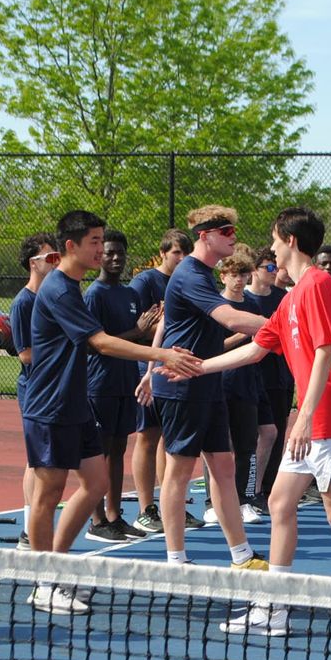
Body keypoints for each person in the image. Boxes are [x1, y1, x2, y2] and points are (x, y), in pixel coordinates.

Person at [180, 207, 331, 642]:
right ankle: (274, 606)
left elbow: (325, 351)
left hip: (327, 416)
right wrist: (197, 367)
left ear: (289, 240)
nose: (269, 245)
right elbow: (254, 350)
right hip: (314, 418)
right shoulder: (292, 297)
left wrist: (303, 418)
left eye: (273, 237)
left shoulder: (319, 286)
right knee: (281, 505)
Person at [21, 210, 199, 614]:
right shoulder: (59, 291)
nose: (102, 249)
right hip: (49, 407)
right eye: (95, 242)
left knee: (96, 481)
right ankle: (44, 580)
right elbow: (100, 343)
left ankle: (55, 570)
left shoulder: (72, 287)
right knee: (48, 496)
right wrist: (161, 354)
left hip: (75, 404)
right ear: (72, 246)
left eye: (102, 241)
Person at [148, 205, 270, 570]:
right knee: (180, 471)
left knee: (223, 466)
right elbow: (230, 319)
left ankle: (241, 555)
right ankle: (176, 558)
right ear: (205, 236)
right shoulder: (190, 275)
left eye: (233, 231)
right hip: (181, 385)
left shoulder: (203, 274)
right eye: (226, 232)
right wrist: (284, 321)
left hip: (207, 382)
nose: (233, 237)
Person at [84, 229, 160, 542]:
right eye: (109, 252)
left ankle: (115, 516)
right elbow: (95, 344)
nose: (115, 258)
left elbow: (137, 337)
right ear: (99, 254)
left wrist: (151, 330)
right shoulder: (94, 294)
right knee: (99, 453)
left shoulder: (129, 295)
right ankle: (97, 519)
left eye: (120, 253)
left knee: (117, 451)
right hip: (99, 385)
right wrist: (137, 331)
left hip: (124, 383)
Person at [127, 228, 200, 534]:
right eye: (176, 253)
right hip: (150, 368)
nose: (181, 258)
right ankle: (145, 508)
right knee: (148, 435)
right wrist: (150, 332)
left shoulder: (186, 282)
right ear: (163, 253)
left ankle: (171, 504)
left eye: (186, 253)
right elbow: (137, 328)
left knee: (170, 441)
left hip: (177, 371)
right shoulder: (145, 282)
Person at [9, 231, 59, 551]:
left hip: (54, 390)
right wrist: (60, 349)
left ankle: (36, 527)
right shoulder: (23, 303)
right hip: (34, 390)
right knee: (35, 462)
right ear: (34, 263)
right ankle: (29, 530)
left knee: (46, 462)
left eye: (58, 257)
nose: (56, 263)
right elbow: (25, 354)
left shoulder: (52, 299)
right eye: (50, 258)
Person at [215, 246, 267, 524]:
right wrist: (242, 332)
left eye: (244, 274)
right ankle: (215, 503)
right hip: (220, 384)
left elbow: (263, 340)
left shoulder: (253, 306)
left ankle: (244, 500)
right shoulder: (215, 306)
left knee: (247, 446)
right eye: (234, 274)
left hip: (247, 384)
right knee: (219, 447)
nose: (239, 279)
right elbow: (216, 346)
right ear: (223, 276)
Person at [246, 246, 293, 513]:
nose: (275, 272)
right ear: (256, 270)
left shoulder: (283, 298)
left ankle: (265, 488)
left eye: (276, 267)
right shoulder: (245, 301)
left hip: (280, 377)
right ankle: (245, 490)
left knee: (275, 433)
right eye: (269, 268)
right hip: (252, 376)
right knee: (246, 436)